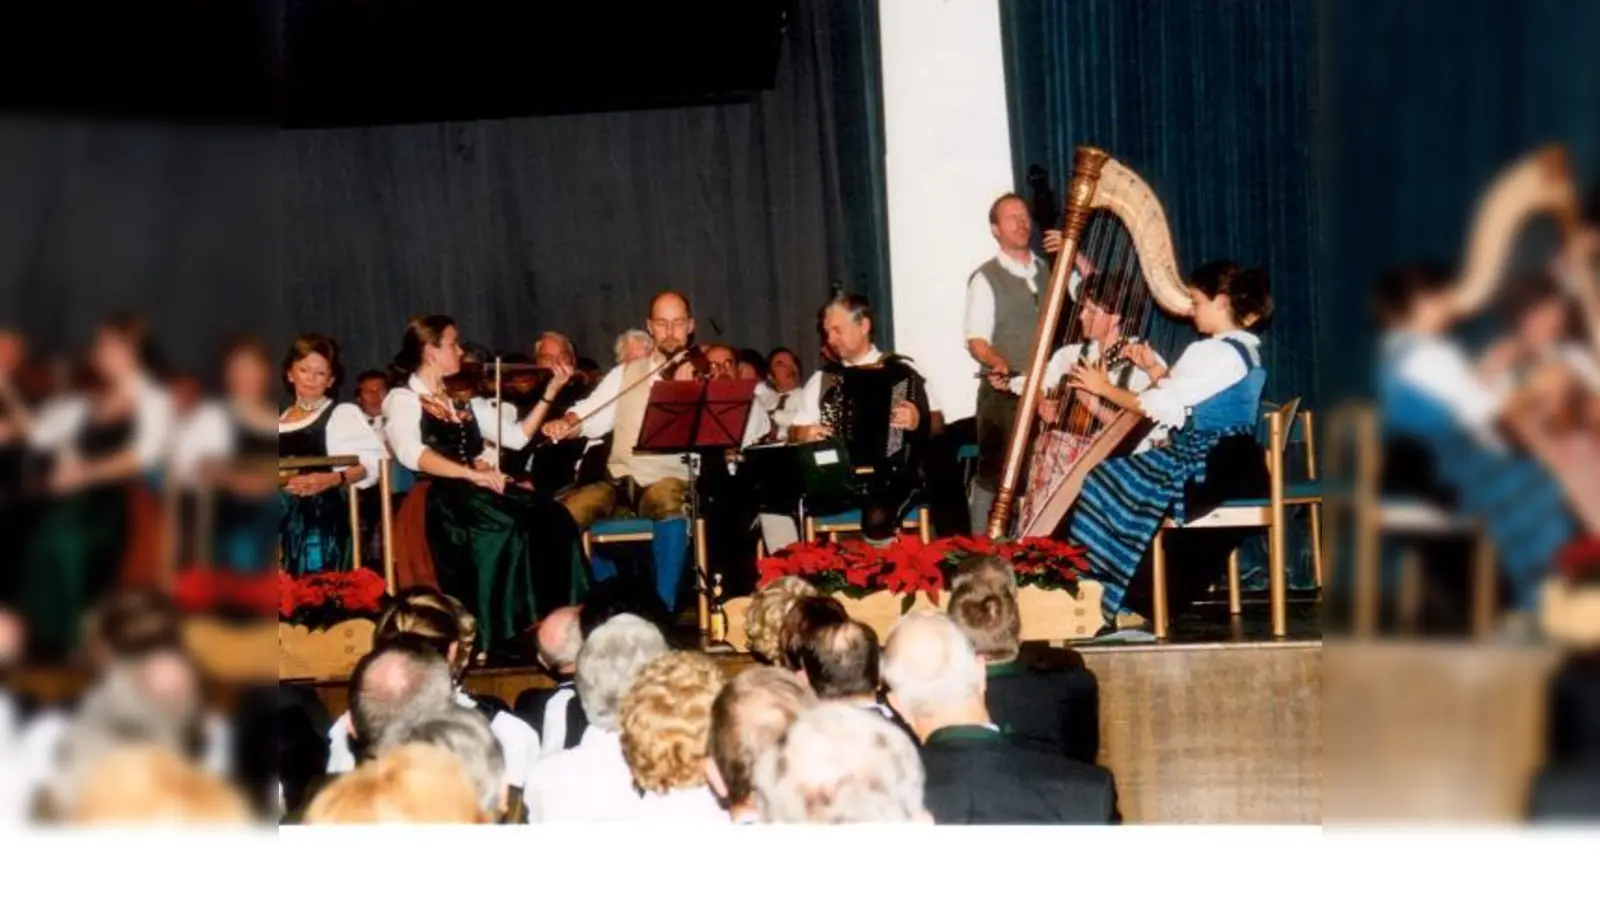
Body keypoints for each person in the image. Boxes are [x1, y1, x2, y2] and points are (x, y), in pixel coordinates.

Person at [1064, 261, 1274, 639]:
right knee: (1117, 481)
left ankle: (1115, 597)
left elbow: (1158, 407)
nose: (1191, 310)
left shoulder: (1212, 352)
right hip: (1238, 461)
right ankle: (1125, 596)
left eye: (1196, 301)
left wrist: (1102, 388)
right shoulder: (1244, 348)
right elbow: (1192, 399)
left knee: (1103, 481)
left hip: (1212, 464)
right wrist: (1154, 371)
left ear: (1221, 302)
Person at [1374, 263, 1584, 635]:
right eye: (1440, 298)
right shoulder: (1426, 355)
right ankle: (1540, 605)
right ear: (1421, 302)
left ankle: (1545, 600)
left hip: (1439, 461)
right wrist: (1531, 388)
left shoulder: (1402, 351)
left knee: (1552, 478)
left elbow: (1474, 407)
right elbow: (1487, 414)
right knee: (1545, 490)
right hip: (1450, 466)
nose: (1450, 307)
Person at [383, 315, 588, 660]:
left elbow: (517, 438)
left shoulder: (462, 394)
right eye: (453, 344)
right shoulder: (403, 399)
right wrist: (470, 474)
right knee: (507, 529)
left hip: (475, 489)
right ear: (431, 351)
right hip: (439, 497)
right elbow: (412, 454)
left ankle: (558, 625)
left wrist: (550, 393)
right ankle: (502, 632)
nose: (461, 351)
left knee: (554, 516)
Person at [543, 292, 762, 611]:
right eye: (662, 323)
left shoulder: (706, 372)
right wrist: (567, 422)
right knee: (561, 516)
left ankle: (663, 610)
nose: (670, 331)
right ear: (650, 327)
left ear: (690, 326)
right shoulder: (626, 374)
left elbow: (752, 422)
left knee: (669, 502)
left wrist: (713, 388)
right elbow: (591, 415)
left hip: (668, 480)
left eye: (677, 322)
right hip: (617, 481)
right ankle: (603, 602)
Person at [14, 315, 174, 661]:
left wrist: (83, 473)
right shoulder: (86, 401)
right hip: (73, 502)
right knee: (33, 536)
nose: (98, 352)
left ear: (130, 351)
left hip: (118, 505)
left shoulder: (152, 399)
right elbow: (43, 435)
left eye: (107, 345)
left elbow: (141, 458)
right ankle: (40, 645)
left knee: (63, 544)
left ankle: (73, 643)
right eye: (99, 344)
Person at [999, 273, 1169, 535]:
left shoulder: (1143, 360)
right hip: (1070, 462)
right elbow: (1033, 383)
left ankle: (1035, 538)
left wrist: (1094, 405)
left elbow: (1155, 429)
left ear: (1115, 317)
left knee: (1051, 445)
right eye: (1082, 309)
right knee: (1045, 442)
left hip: (1125, 462)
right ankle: (1038, 535)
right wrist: (1042, 401)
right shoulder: (1071, 355)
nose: (1081, 317)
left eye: (1091, 311)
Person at [964, 192, 1076, 533]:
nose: (1022, 223)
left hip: (1050, 386)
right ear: (995, 229)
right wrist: (995, 361)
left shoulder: (1051, 269)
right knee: (1007, 460)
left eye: (1025, 216)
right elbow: (977, 341)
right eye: (1012, 217)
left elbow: (1096, 295)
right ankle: (983, 544)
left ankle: (1045, 543)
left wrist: (1074, 254)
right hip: (1005, 389)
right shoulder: (985, 277)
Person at [788, 294, 932, 543]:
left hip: (893, 475)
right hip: (841, 477)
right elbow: (793, 432)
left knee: (878, 512)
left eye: (837, 330)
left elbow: (934, 426)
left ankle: (882, 576)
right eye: (827, 332)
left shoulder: (900, 372)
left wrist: (916, 418)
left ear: (863, 326)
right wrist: (806, 433)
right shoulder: (825, 379)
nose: (830, 340)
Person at [271, 334, 385, 575]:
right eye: (304, 370)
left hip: (319, 519)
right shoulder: (275, 418)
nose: (311, 379)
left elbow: (369, 465)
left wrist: (328, 480)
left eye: (320, 373)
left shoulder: (341, 414)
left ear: (331, 380)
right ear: (290, 374)